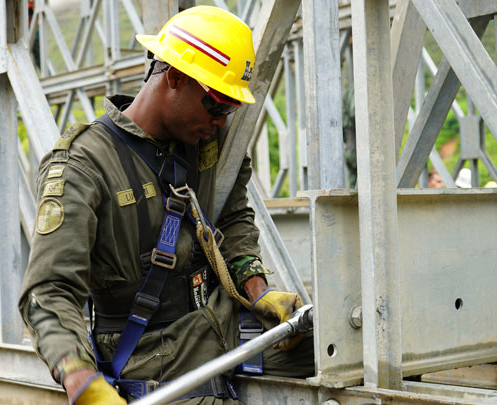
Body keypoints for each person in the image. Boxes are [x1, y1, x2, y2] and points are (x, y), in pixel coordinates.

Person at [19, 6, 313, 404]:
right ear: (174, 77)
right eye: (217, 105)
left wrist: (258, 291)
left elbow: (232, 216)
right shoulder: (84, 165)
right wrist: (81, 379)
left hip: (223, 322)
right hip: (149, 355)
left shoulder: (207, 143)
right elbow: (49, 290)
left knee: (349, 353)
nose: (223, 122)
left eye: (231, 107)